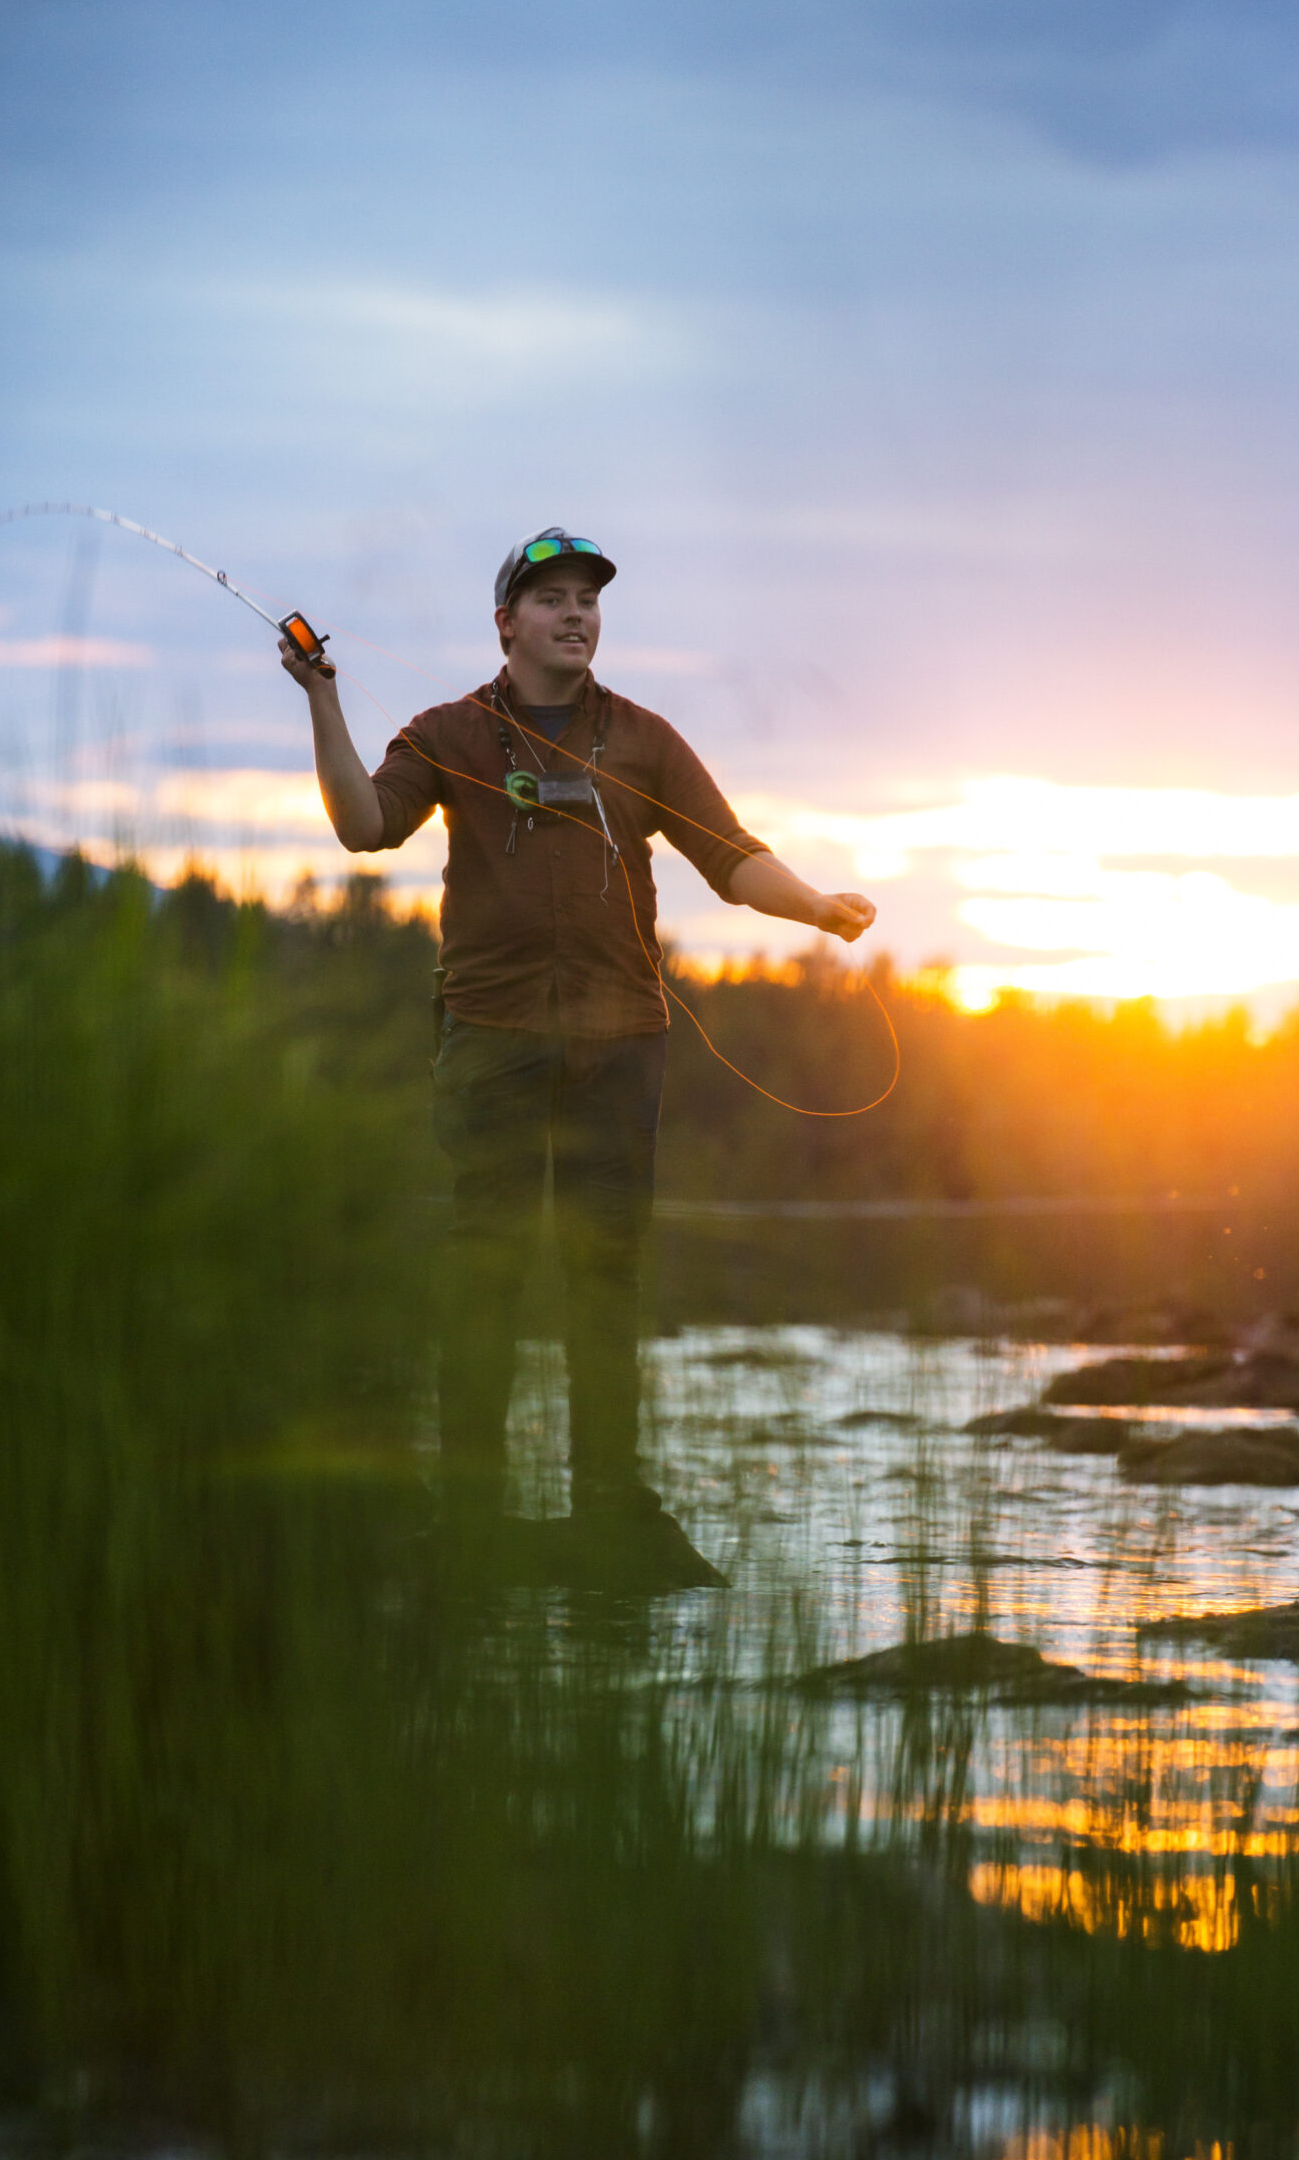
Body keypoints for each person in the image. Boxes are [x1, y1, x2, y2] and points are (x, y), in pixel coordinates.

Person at [280, 527, 875, 1585]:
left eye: (587, 600)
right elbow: (364, 828)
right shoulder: (447, 731)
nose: (574, 614)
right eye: (550, 598)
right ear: (505, 622)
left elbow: (729, 858)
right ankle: (470, 1516)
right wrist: (323, 698)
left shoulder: (644, 740)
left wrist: (818, 908)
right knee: (486, 1277)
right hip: (490, 1043)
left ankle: (609, 1506)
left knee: (605, 1280)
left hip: (618, 1049)